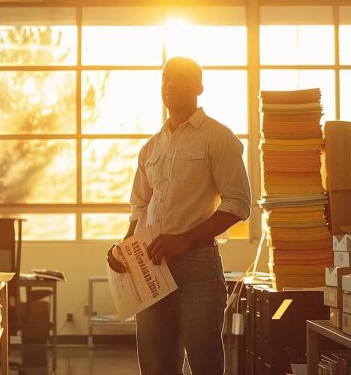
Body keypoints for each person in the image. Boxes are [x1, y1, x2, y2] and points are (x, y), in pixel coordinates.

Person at [106, 57, 251, 375]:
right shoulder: (151, 148)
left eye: (181, 78)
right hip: (150, 267)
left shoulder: (218, 138)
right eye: (166, 78)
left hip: (197, 268)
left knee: (205, 363)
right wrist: (125, 246)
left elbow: (239, 204)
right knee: (157, 366)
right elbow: (140, 206)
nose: (170, 84)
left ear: (199, 87)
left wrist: (184, 241)